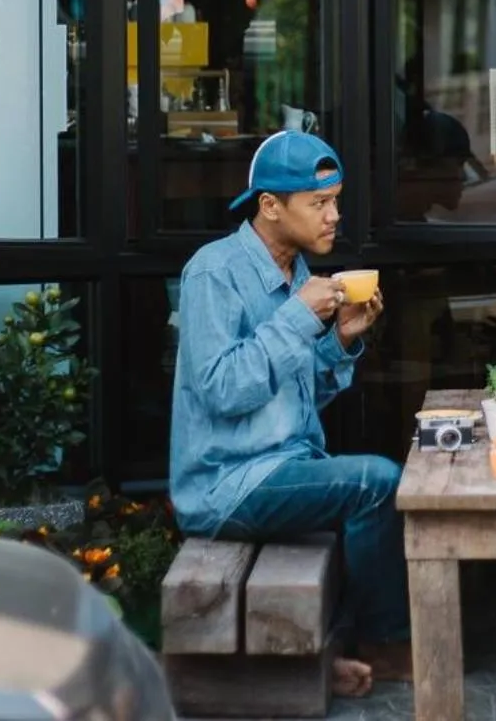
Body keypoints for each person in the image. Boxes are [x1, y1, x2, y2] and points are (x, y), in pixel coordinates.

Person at [170, 130, 409, 696]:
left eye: (336, 201)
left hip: (285, 466)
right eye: (319, 203)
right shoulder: (214, 273)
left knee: (370, 497)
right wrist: (300, 319)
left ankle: (328, 657)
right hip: (226, 484)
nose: (334, 216)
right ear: (271, 206)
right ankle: (386, 648)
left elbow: (296, 396)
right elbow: (223, 390)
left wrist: (342, 340)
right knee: (375, 483)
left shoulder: (298, 274)